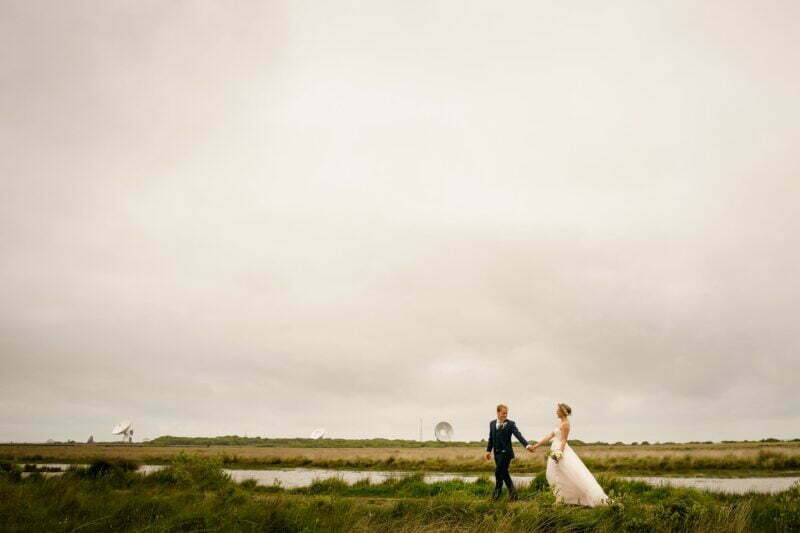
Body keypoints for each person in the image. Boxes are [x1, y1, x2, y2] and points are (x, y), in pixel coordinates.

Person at [529, 403, 608, 507]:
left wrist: (559, 454)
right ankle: (560, 498)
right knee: (553, 474)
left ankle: (589, 499)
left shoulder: (566, 424)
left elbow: (563, 440)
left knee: (569, 475)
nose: (556, 412)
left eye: (558, 410)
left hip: (560, 450)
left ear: (563, 412)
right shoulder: (559, 422)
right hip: (554, 448)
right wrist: (536, 445)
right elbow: (550, 435)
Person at [485, 403, 535, 500]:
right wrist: (488, 451)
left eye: (506, 413)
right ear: (498, 413)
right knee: (503, 473)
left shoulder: (511, 424)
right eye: (503, 413)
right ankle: (513, 496)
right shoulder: (492, 423)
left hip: (506, 453)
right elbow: (491, 438)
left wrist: (527, 445)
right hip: (497, 454)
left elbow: (518, 435)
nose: (505, 415)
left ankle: (496, 495)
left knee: (498, 472)